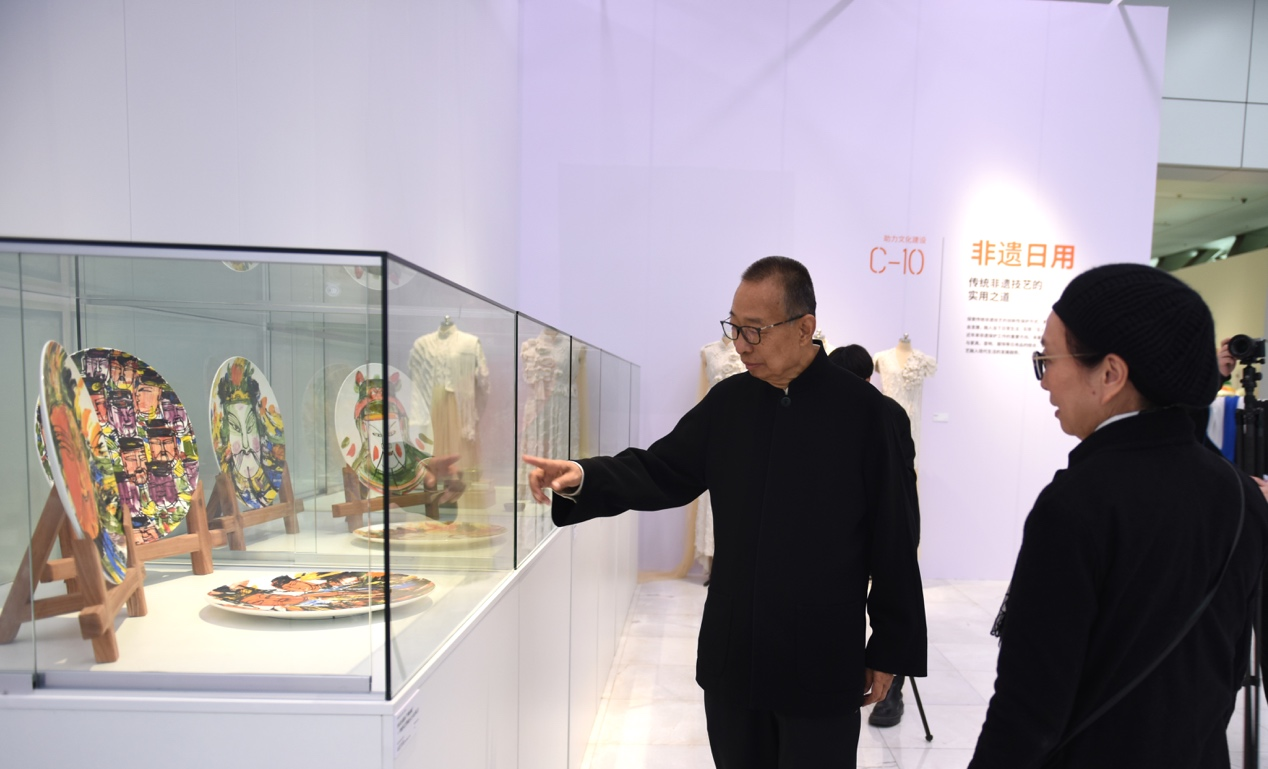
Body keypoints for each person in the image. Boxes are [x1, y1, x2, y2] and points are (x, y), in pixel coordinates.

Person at [524, 256, 926, 769]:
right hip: (736, 654)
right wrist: (584, 476)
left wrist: (889, 649)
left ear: (805, 327)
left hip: (821, 659)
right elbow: (662, 469)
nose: (740, 344)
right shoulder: (730, 402)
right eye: (734, 327)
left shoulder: (869, 415)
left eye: (754, 330)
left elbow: (895, 538)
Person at [968, 263, 1268, 768]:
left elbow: (1028, 708)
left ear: (1110, 374)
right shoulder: (1242, 496)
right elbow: (1230, 668)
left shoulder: (1076, 503)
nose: (1045, 381)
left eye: (1047, 358)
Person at [827, 343, 919, 728]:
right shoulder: (824, 411)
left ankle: (892, 686)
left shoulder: (889, 413)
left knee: (890, 596)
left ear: (868, 380)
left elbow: (901, 480)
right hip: (841, 528)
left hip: (884, 521)